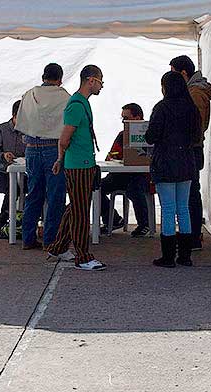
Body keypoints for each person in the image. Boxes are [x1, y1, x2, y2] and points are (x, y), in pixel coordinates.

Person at [46, 65, 107, 271]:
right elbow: (64, 138)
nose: (101, 86)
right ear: (91, 80)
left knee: (74, 207)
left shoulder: (83, 104)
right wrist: (60, 159)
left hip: (85, 163)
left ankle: (58, 247)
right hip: (77, 166)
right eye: (100, 81)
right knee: (81, 212)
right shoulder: (75, 105)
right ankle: (83, 256)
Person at [145, 71, 202, 268]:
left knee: (168, 209)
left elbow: (151, 136)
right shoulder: (191, 108)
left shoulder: (161, 108)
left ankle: (168, 257)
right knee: (183, 208)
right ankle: (185, 256)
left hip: (166, 163)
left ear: (166, 87)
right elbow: (197, 137)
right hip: (186, 162)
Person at [15, 63, 71, 250]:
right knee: (55, 196)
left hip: (31, 148)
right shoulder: (64, 97)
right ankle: (50, 240)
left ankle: (27, 238)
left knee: (34, 194)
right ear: (60, 78)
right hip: (53, 148)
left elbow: (22, 121)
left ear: (43, 76)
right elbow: (68, 126)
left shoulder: (30, 94)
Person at [170, 55, 211, 251]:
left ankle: (193, 236)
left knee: (190, 194)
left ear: (183, 73)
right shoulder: (195, 90)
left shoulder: (195, 93)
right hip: (192, 148)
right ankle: (191, 234)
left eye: (173, 73)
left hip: (190, 149)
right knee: (189, 193)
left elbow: (194, 125)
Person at [99, 103, 151, 237]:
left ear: (138, 118)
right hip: (120, 175)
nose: (123, 121)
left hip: (141, 175)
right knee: (95, 187)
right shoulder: (122, 135)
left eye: (126, 118)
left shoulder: (150, 134)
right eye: (122, 118)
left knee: (134, 190)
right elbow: (111, 156)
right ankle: (114, 220)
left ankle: (144, 224)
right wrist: (114, 157)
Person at [0, 100, 27, 239]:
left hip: (21, 173)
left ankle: (25, 222)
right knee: (13, 188)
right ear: (14, 115)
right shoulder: (0, 130)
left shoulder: (29, 131)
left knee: (36, 186)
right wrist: (3, 155)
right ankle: (1, 224)